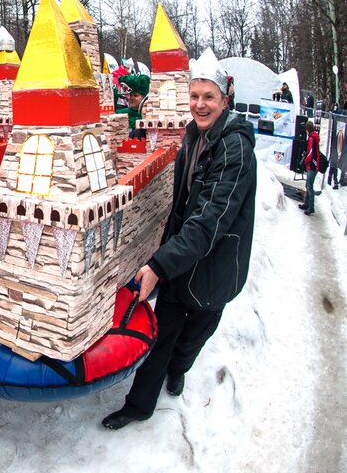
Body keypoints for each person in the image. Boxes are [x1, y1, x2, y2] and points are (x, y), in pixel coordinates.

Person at [102, 48, 256, 430]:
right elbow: (183, 204)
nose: (199, 105)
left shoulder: (235, 149)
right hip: (182, 261)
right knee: (164, 332)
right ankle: (139, 406)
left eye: (208, 98)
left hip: (215, 268)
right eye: (194, 96)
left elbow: (210, 220)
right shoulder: (191, 136)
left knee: (193, 335)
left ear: (225, 99)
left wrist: (158, 264)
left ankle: (180, 368)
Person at [116, 73, 150, 137]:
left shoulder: (147, 115)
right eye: (131, 95)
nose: (131, 98)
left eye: (136, 95)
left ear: (144, 98)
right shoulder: (122, 113)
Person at [299, 120, 320, 215]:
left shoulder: (311, 138)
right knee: (308, 185)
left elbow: (311, 152)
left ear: (307, 129)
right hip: (313, 164)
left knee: (309, 186)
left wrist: (306, 160)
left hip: (312, 165)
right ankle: (307, 204)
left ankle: (311, 206)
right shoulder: (313, 137)